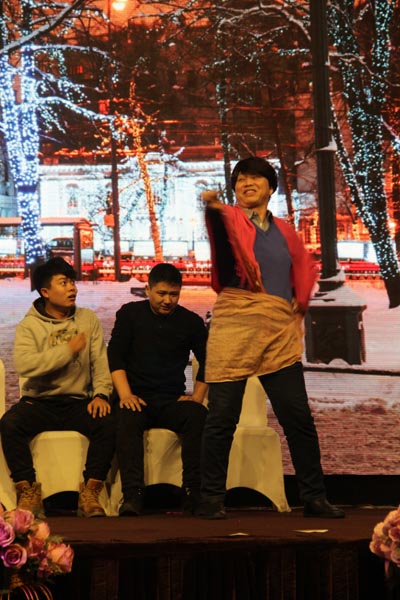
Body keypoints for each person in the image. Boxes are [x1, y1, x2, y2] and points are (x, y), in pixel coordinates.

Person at [198, 156, 345, 520]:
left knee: (297, 417)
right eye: (241, 179)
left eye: (255, 178)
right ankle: (211, 498)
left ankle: (314, 497)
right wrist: (213, 209)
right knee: (222, 417)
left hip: (277, 330)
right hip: (236, 321)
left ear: (271, 187)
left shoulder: (284, 230)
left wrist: (299, 300)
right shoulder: (230, 218)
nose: (247, 183)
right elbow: (221, 233)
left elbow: (304, 267)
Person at [0, 257, 114, 518]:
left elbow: (100, 362)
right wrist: (67, 350)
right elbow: (25, 365)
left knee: (108, 422)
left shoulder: (87, 319)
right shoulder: (29, 326)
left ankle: (90, 493)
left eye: (72, 282)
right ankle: (28, 492)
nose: (72, 288)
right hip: (39, 402)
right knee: (10, 424)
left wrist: (101, 395)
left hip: (78, 402)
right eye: (63, 283)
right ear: (46, 292)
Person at [107, 263, 208, 516]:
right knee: (126, 417)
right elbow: (115, 357)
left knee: (198, 415)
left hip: (171, 399)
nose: (167, 300)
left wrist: (196, 398)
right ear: (148, 290)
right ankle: (132, 495)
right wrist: (125, 394)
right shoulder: (130, 314)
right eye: (161, 293)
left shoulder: (191, 322)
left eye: (174, 294)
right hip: (136, 398)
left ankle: (192, 493)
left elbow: (209, 361)